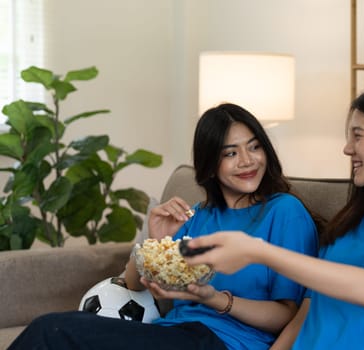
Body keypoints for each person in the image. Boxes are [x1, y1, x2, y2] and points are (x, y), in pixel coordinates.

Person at [184, 81, 364, 350]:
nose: (347, 148)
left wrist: (259, 252)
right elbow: (305, 317)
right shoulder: (348, 223)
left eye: (358, 136)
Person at [8, 103, 319, 350]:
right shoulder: (196, 215)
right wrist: (156, 242)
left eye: (254, 147)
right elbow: (133, 286)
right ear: (210, 164)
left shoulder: (284, 212)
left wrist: (213, 298)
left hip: (226, 343)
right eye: (231, 153)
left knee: (52, 332)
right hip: (174, 334)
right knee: (55, 331)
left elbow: (287, 315)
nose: (248, 161)